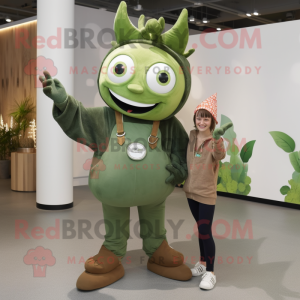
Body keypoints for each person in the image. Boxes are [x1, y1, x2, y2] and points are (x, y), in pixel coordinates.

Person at [183, 93, 232, 290]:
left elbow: (219, 155)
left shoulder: (214, 140)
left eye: (206, 117)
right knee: (200, 229)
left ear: (212, 120)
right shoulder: (193, 135)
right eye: (199, 117)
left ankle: (211, 272)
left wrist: (218, 139)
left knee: (205, 231)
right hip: (190, 191)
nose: (201, 121)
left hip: (206, 193)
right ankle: (202, 264)